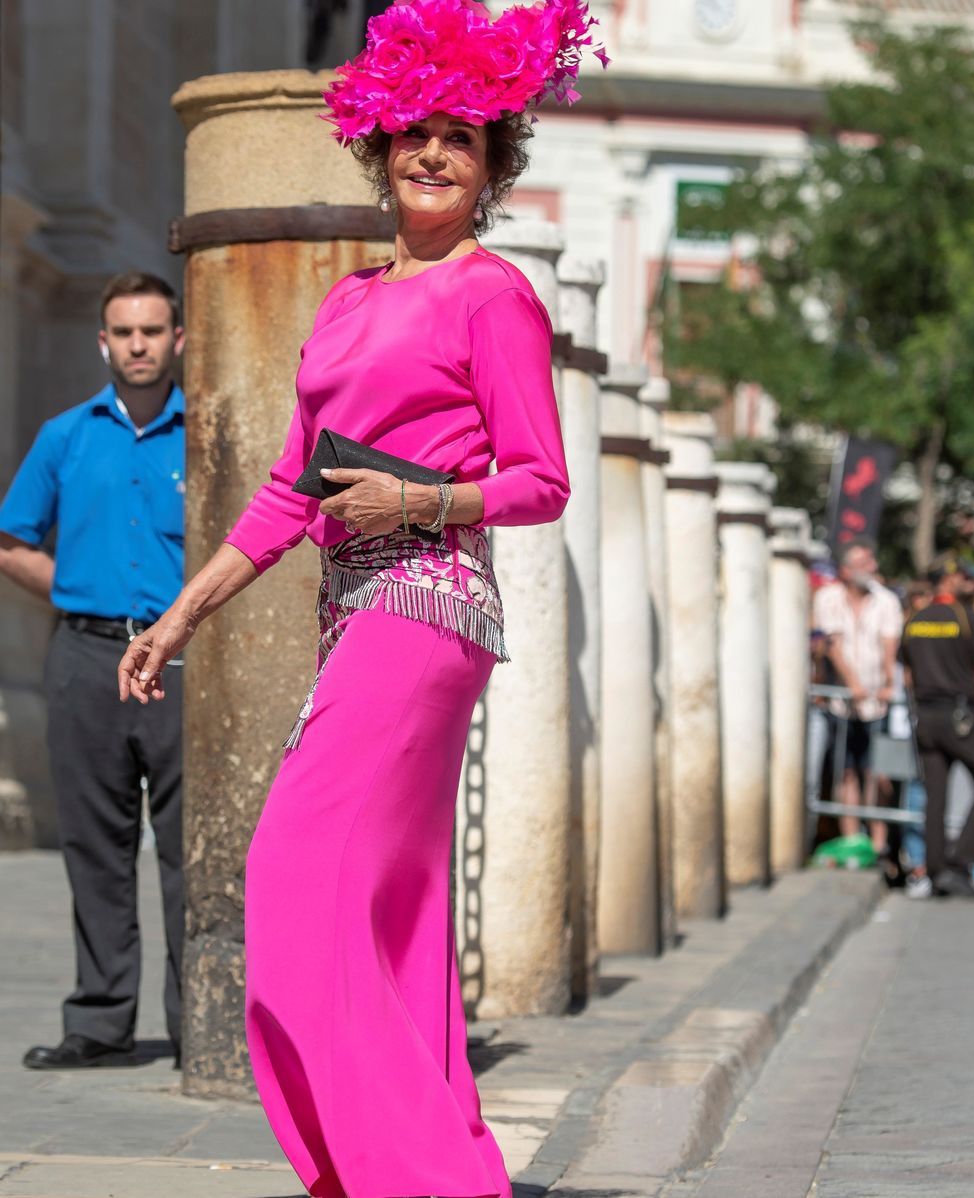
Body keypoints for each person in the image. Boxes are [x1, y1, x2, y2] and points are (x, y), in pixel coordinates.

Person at [118, 3, 602, 1194]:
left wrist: (417, 507)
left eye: (461, 141)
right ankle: (401, 1163)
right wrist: (184, 614)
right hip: (354, 605)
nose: (432, 156)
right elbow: (289, 490)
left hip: (427, 607)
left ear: (491, 170)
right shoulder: (343, 306)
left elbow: (543, 481)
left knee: (293, 870)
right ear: (379, 150)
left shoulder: (493, 298)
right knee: (392, 909)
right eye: (413, 137)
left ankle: (414, 1169)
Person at [0, 272, 186, 1068]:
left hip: (183, 657)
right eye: (124, 332)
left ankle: (198, 1025)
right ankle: (101, 1022)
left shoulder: (209, 432)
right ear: (102, 340)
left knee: (190, 845)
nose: (138, 345)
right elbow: (11, 541)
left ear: (178, 338)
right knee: (95, 843)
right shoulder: (64, 437)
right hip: (87, 655)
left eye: (153, 330)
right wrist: (76, 592)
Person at [901, 557, 974, 897]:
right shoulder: (966, 617)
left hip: (924, 717)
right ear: (948, 580)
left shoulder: (915, 618)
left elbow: (906, 674)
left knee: (936, 796)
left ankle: (937, 868)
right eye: (961, 575)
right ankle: (959, 861)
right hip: (959, 717)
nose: (966, 581)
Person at [813, 539, 902, 851]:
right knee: (846, 771)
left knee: (878, 773)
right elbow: (832, 645)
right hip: (843, 702)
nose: (873, 568)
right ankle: (852, 839)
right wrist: (852, 684)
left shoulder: (886, 600)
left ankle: (878, 844)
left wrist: (890, 684)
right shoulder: (828, 598)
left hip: (878, 703)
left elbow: (890, 647)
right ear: (847, 570)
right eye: (865, 563)